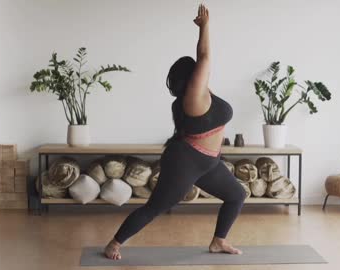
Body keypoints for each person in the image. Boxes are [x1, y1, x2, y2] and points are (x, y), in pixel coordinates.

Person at [104, 4, 246, 260]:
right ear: (191, 77)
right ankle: (114, 243)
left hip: (209, 162)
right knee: (156, 207)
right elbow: (204, 57)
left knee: (236, 195)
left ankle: (218, 241)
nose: (203, 73)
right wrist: (205, 28)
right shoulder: (193, 98)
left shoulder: (203, 93)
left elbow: (203, 65)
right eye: (198, 72)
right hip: (186, 162)